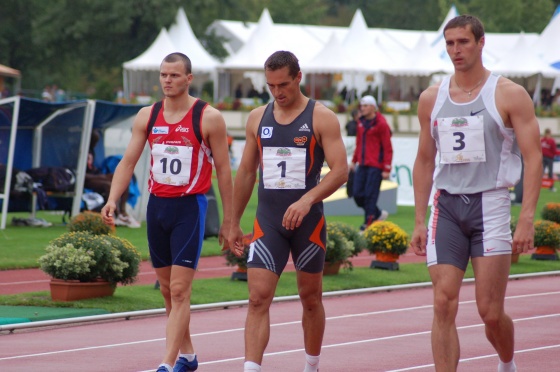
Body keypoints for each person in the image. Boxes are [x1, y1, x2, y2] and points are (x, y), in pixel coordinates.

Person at [410, 15, 542, 372]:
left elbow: (534, 158)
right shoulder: (431, 98)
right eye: (450, 43)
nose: (456, 50)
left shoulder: (508, 94)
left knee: (490, 312)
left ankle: (507, 362)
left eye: (463, 42)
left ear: (481, 43)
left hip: (491, 205)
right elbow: (424, 160)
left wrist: (526, 217)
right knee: (443, 302)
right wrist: (419, 219)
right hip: (448, 207)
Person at [100, 52, 233, 372]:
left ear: (189, 78)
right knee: (166, 290)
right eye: (163, 75)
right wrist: (112, 199)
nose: (167, 80)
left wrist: (230, 220)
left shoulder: (208, 117)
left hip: (190, 208)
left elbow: (225, 171)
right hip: (157, 207)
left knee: (179, 289)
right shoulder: (148, 115)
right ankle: (188, 355)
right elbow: (128, 161)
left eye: (174, 75)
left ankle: (167, 363)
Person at [228, 50, 348, 372]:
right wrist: (233, 221)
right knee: (257, 298)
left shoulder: (321, 117)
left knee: (310, 299)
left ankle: (312, 365)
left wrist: (307, 200)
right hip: (269, 222)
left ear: (298, 78)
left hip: (307, 223)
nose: (278, 92)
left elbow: (340, 171)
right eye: (271, 86)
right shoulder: (258, 117)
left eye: (283, 84)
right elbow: (247, 173)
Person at [349, 95, 392, 230]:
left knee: (370, 196)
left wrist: (386, 168)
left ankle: (367, 224)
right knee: (357, 194)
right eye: (362, 106)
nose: (363, 108)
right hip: (362, 164)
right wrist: (354, 161)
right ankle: (377, 213)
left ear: (373, 107)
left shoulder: (381, 124)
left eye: (366, 105)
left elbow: (387, 146)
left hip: (375, 166)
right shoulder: (360, 123)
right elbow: (359, 143)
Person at [85, 130, 140, 227]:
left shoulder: (91, 151)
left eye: (97, 141)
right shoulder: (80, 150)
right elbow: (80, 172)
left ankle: (123, 211)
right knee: (108, 185)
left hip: (95, 175)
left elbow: (92, 167)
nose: (95, 144)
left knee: (121, 181)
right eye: (94, 141)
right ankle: (116, 213)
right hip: (85, 180)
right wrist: (99, 176)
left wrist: (100, 174)